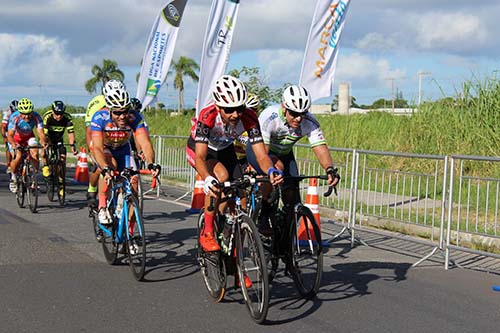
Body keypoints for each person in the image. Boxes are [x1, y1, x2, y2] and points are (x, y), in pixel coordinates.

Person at [186, 75, 282, 252]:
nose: (236, 114)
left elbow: (261, 154)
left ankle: (235, 257)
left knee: (242, 196)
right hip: (201, 150)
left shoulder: (250, 118)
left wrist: (270, 170)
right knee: (220, 177)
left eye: (239, 108)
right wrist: (207, 178)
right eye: (229, 110)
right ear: (218, 106)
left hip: (225, 149)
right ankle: (207, 231)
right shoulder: (207, 115)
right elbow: (200, 156)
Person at [246, 85, 340, 234]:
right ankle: (264, 212)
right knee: (275, 171)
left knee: (293, 199)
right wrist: (270, 172)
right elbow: (263, 155)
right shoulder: (269, 117)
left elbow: (320, 147)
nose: (298, 118)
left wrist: (329, 169)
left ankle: (284, 234)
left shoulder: (310, 121)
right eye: (294, 113)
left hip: (285, 153)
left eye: (302, 114)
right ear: (284, 107)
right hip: (260, 150)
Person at [90, 82, 160, 225]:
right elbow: (97, 148)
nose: (122, 116)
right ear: (109, 110)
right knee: (111, 165)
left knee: (133, 186)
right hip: (105, 149)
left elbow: (145, 142)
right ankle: (102, 206)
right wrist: (104, 168)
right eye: (117, 112)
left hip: (123, 149)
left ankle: (130, 232)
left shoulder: (135, 117)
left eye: (125, 111)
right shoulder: (100, 117)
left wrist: (151, 163)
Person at [7, 98, 47, 193]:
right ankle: (13, 177)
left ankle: (34, 179)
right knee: (18, 156)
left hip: (29, 137)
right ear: (19, 112)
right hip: (16, 139)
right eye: (24, 114)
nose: (26, 116)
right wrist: (13, 144)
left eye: (28, 113)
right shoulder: (14, 117)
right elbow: (10, 135)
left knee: (35, 153)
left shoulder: (36, 117)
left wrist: (43, 142)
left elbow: (41, 133)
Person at [41, 101, 78, 189]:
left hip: (59, 139)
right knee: (43, 152)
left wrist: (73, 146)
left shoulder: (67, 118)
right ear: (53, 111)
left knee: (62, 159)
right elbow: (44, 134)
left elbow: (71, 133)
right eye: (57, 114)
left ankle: (61, 180)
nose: (59, 116)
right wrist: (47, 143)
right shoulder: (47, 117)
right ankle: (46, 167)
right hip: (48, 138)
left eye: (61, 114)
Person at [84, 90, 108, 207]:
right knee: (99, 167)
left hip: (114, 138)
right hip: (97, 135)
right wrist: (92, 149)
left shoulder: (122, 105)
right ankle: (92, 189)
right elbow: (89, 131)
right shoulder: (96, 103)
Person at [1, 100, 17, 174]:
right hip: (9, 131)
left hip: (17, 130)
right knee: (8, 146)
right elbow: (3, 127)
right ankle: (9, 165)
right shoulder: (7, 114)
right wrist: (4, 137)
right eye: (14, 111)